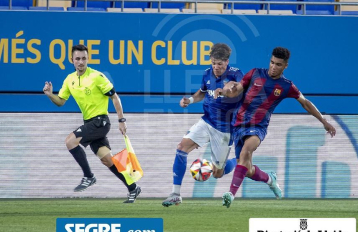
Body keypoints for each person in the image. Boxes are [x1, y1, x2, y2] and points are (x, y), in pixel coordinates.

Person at [214, 46, 336, 208]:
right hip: (238, 124)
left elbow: (305, 103)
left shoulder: (286, 86)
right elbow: (236, 90)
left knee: (246, 151)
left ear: (285, 66)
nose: (273, 67)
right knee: (247, 169)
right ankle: (270, 179)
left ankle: (230, 194)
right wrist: (223, 92)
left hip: (258, 127)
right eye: (272, 62)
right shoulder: (255, 73)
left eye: (278, 64)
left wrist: (324, 121)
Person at [43, 44, 141, 203]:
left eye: (83, 58)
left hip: (100, 122)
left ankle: (89, 176)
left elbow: (115, 97)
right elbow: (60, 101)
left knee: (70, 141)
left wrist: (122, 120)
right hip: (89, 122)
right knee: (107, 159)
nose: (80, 62)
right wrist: (49, 95)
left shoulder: (97, 77)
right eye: (77, 59)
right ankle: (133, 188)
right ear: (72, 60)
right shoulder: (70, 79)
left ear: (88, 59)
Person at [162, 43, 244, 207]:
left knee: (217, 173)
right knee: (181, 147)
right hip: (207, 120)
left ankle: (239, 160)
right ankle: (175, 194)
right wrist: (190, 100)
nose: (216, 67)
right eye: (213, 63)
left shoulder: (236, 74)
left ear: (227, 62)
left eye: (219, 64)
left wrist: (228, 89)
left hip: (224, 129)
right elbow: (202, 92)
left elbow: (238, 88)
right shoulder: (207, 74)